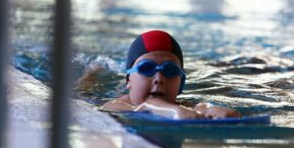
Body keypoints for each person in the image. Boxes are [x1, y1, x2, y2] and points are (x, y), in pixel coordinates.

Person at [99, 30, 240, 119]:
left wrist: (210, 109)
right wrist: (172, 111)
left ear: (181, 83)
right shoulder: (115, 106)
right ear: (129, 79)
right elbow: (144, 107)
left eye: (170, 70)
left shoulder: (180, 105)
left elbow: (195, 108)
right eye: (146, 68)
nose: (159, 78)